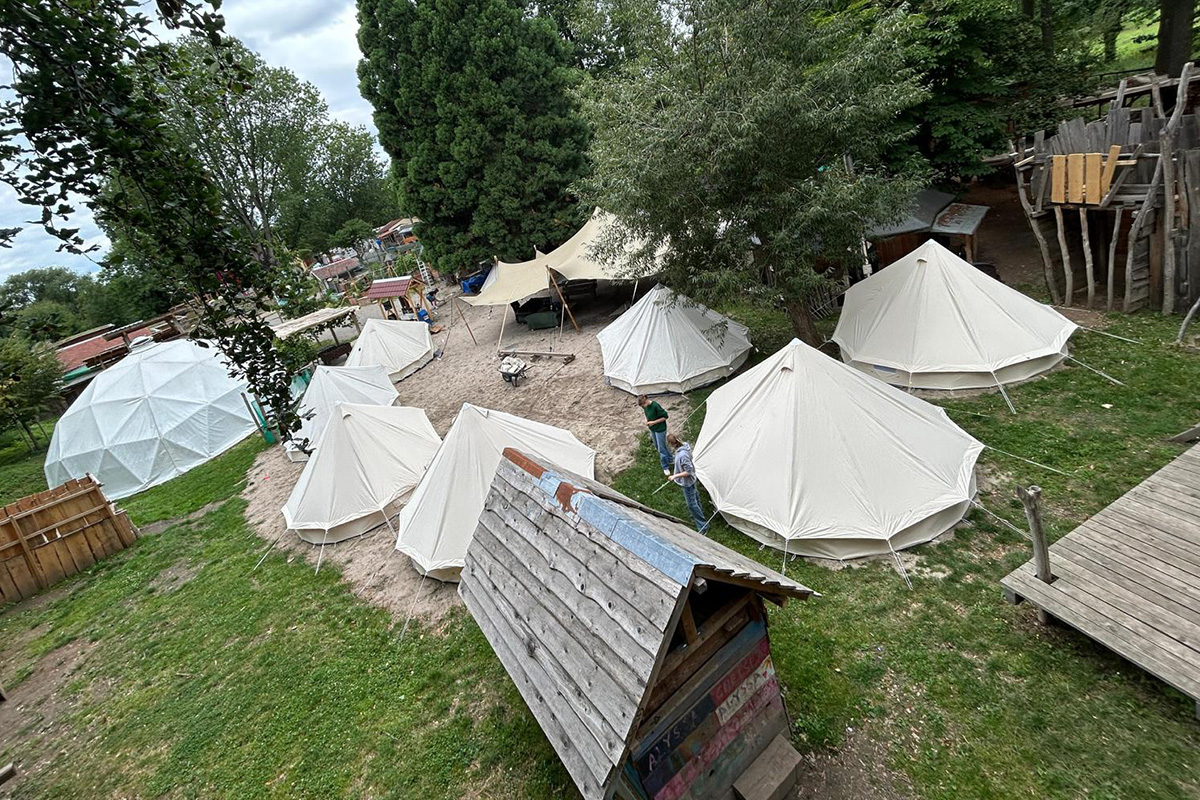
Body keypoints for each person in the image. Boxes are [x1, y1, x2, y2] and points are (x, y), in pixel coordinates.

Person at [667, 433, 708, 534]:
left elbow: (688, 471)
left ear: (671, 444)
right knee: (695, 497)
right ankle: (699, 514)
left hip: (687, 482)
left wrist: (675, 476)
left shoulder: (682, 455)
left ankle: (703, 526)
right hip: (692, 480)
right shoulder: (684, 446)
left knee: (691, 504)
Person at [638, 395, 671, 476]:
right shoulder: (645, 407)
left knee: (661, 449)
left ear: (646, 401)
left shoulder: (655, 406)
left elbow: (665, 417)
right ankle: (670, 459)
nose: (643, 407)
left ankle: (665, 467)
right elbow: (646, 414)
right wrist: (646, 420)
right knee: (658, 445)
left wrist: (653, 422)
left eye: (643, 405)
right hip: (653, 429)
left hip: (660, 429)